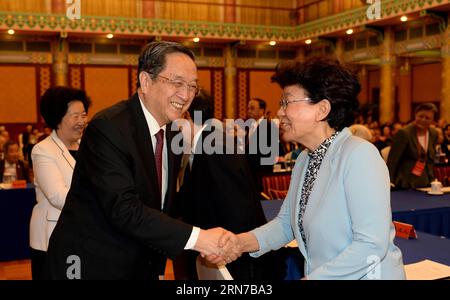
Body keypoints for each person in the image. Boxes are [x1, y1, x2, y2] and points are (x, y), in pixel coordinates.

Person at [44, 41, 235, 280]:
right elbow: (124, 208)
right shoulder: (109, 127)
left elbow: (162, 205)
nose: (186, 95)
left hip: (139, 264)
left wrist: (218, 234)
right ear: (145, 81)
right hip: (91, 265)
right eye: (177, 83)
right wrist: (199, 239)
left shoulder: (173, 133)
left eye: (192, 86)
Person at [223, 57, 405, 280]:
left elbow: (371, 245)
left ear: (322, 109)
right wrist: (238, 243)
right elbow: (285, 225)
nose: (280, 113)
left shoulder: (359, 155)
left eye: (286, 102)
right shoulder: (305, 159)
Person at [175, 91, 285, 280]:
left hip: (233, 261)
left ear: (185, 116)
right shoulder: (207, 143)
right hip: (215, 252)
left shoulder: (217, 147)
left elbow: (238, 210)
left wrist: (230, 251)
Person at [28, 86, 91, 280]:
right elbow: (58, 196)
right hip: (52, 238)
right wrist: (98, 202)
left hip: (84, 235)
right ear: (58, 118)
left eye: (84, 114)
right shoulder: (43, 150)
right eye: (75, 116)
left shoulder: (87, 147)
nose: (82, 121)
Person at [387, 103, 439, 189]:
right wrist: (389, 180)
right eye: (420, 116)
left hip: (426, 181)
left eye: (427, 118)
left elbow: (430, 160)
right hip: (405, 181)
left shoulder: (434, 134)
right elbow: (393, 160)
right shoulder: (404, 133)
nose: (423, 120)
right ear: (415, 115)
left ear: (433, 120)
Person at [245, 98, 279, 195]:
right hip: (250, 171)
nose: (249, 111)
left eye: (252, 108)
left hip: (262, 171)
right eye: (248, 108)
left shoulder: (269, 126)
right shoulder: (248, 126)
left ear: (262, 110)